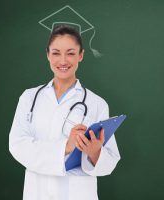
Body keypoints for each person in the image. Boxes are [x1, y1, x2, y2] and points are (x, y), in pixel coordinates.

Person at [9, 25, 120, 200]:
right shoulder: (29, 98)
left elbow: (110, 161)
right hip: (37, 193)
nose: (63, 61)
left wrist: (95, 152)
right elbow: (17, 145)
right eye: (56, 53)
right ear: (47, 55)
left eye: (70, 53)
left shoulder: (97, 104)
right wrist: (66, 147)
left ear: (81, 55)